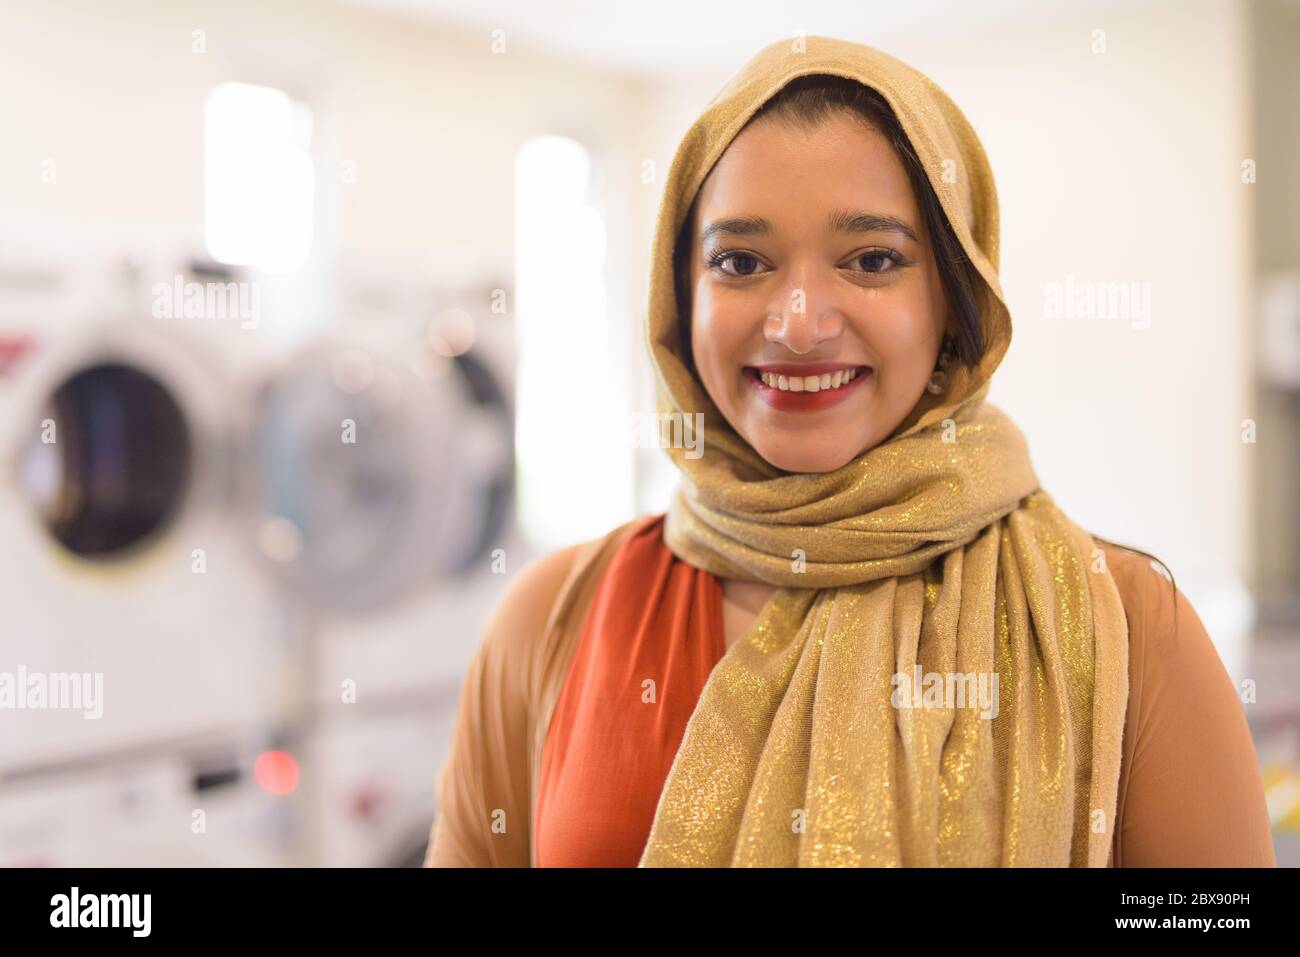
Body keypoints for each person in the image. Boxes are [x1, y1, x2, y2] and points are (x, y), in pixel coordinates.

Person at [425, 35, 1275, 867]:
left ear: (955, 298)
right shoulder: (552, 619)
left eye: (872, 260)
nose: (798, 322)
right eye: (741, 260)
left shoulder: (1122, 628)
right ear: (678, 297)